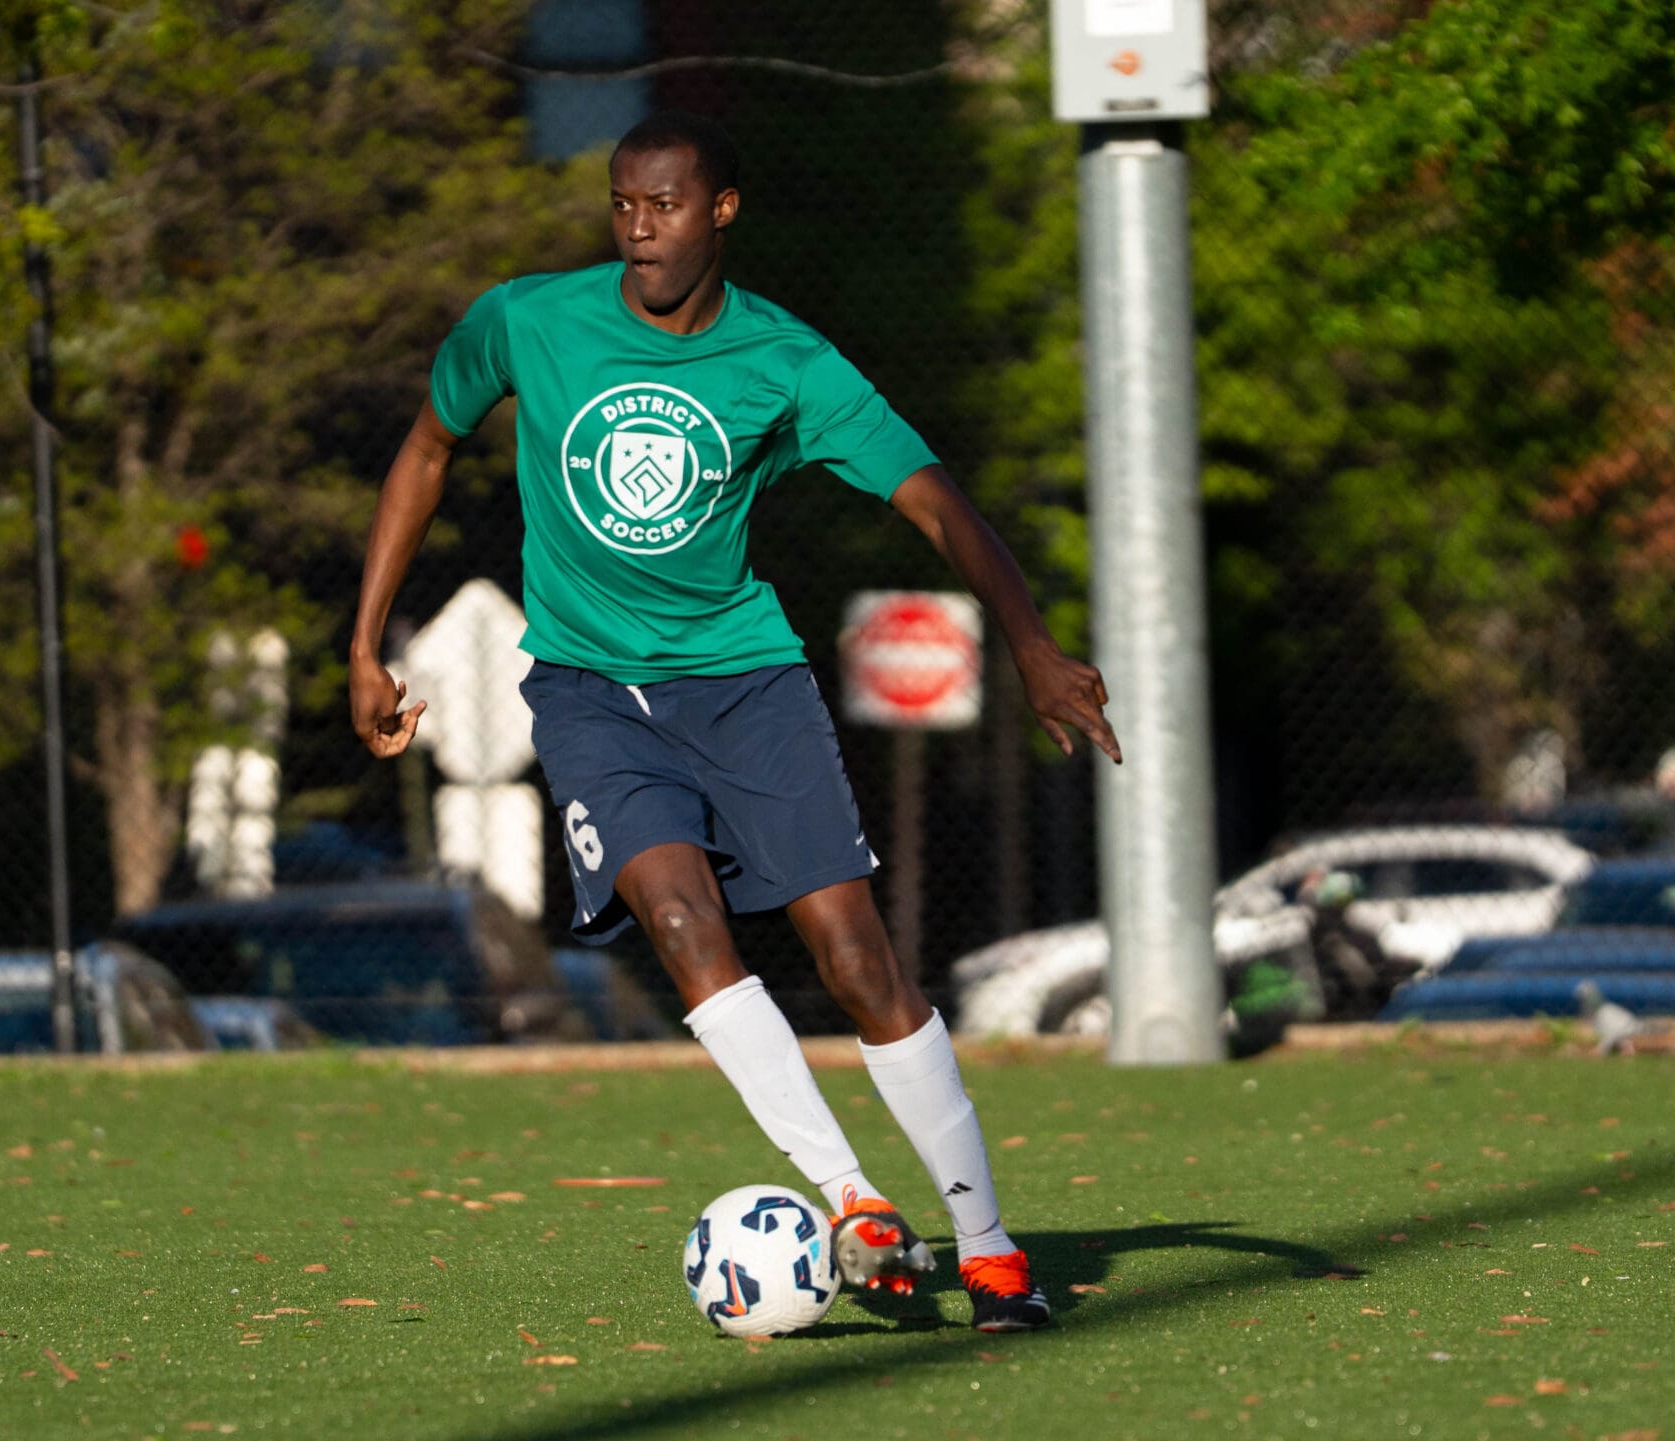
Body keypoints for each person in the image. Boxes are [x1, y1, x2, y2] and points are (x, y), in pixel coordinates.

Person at [346, 110, 1118, 1333]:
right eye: (621, 205)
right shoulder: (527, 320)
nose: (638, 227)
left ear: (720, 213)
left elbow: (934, 503)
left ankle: (987, 1246)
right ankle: (853, 1199)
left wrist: (1028, 642)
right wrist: (364, 639)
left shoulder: (788, 363)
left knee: (858, 961)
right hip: (590, 688)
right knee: (676, 912)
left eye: (662, 206)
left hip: (746, 683)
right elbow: (427, 449)